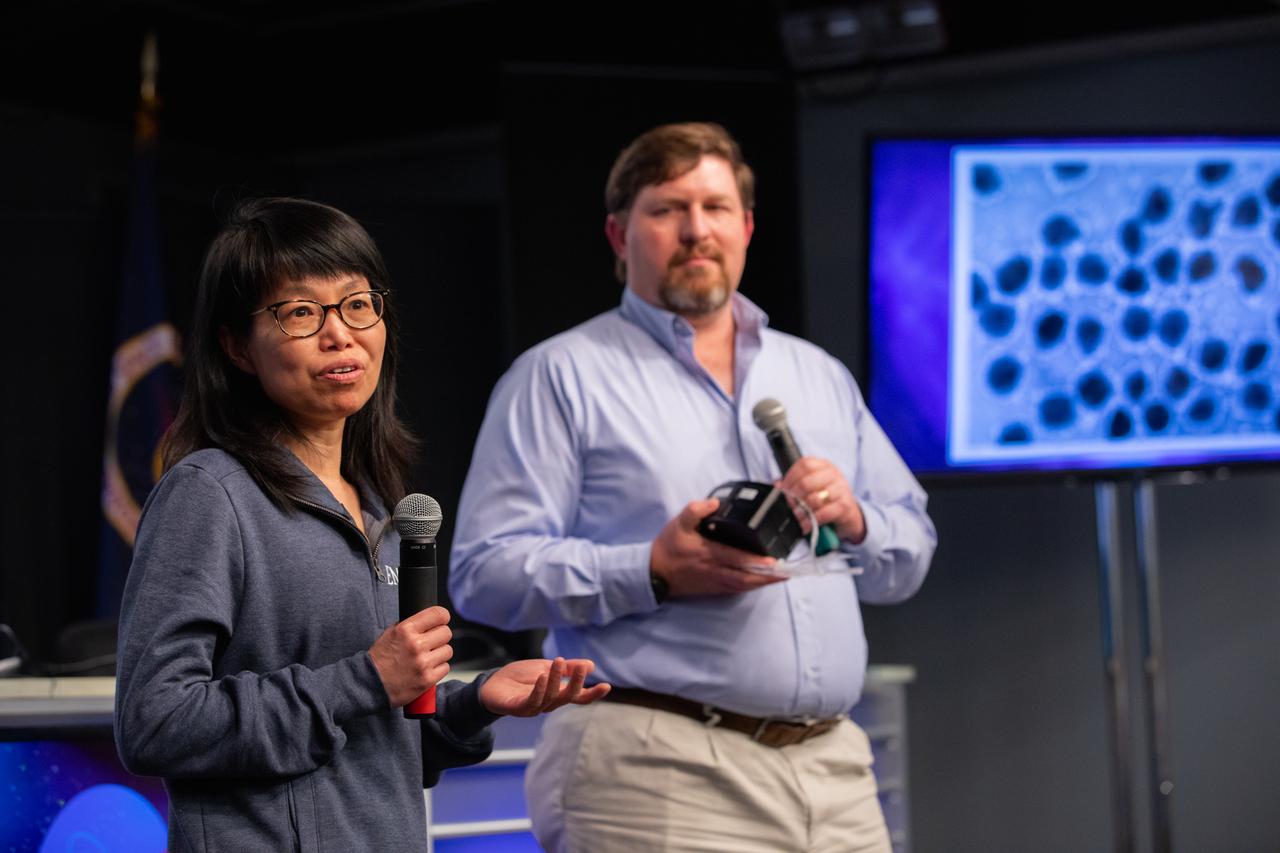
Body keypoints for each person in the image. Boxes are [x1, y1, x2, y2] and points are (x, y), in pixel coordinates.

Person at [450, 122, 937, 852]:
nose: (695, 229)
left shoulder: (816, 374)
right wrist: (651, 570)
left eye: (714, 207)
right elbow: (482, 573)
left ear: (745, 226)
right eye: (667, 209)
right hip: (657, 769)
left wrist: (858, 519)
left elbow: (911, 552)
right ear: (619, 235)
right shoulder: (558, 376)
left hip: (835, 768)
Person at [113, 197, 610, 852]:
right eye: (299, 312)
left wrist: (476, 701)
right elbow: (155, 721)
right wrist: (367, 677)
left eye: (357, 304)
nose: (339, 333)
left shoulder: (381, 504)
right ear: (237, 346)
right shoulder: (208, 494)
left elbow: (375, 742)